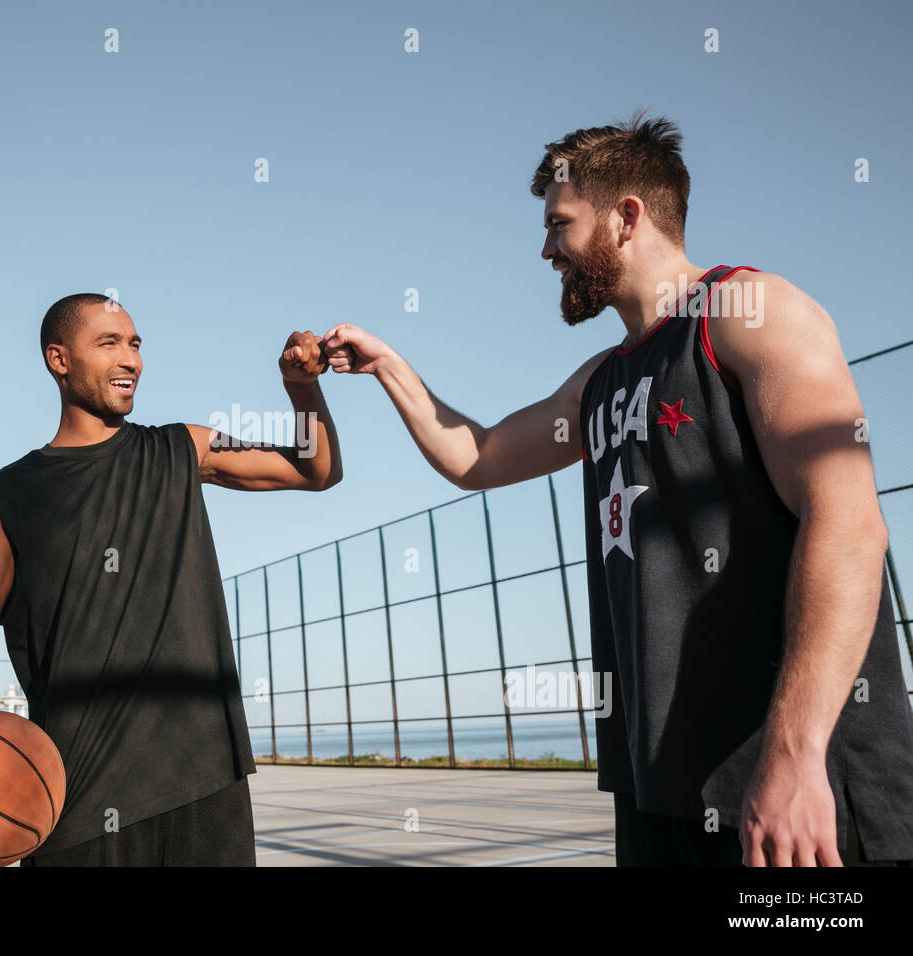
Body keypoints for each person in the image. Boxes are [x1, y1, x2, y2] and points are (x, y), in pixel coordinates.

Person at [320, 112, 913, 867]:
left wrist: (795, 756)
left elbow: (851, 527)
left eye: (559, 224)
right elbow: (479, 458)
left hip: (799, 794)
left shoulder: (751, 315)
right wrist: (388, 367)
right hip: (662, 788)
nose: (545, 249)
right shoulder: (602, 382)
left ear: (625, 216)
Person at [0, 293, 341, 866]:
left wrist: (301, 389)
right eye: (109, 343)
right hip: (77, 802)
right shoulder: (10, 496)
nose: (131, 360)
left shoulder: (181, 448)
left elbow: (315, 469)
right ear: (59, 359)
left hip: (206, 781)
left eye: (136, 344)